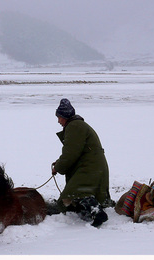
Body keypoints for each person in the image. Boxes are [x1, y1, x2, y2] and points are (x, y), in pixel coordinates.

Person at [50, 98, 112, 228]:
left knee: (77, 191)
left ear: (65, 116)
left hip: (90, 167)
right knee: (75, 192)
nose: (58, 121)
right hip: (92, 165)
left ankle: (97, 213)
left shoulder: (74, 126)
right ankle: (84, 211)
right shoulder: (76, 125)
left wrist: (58, 167)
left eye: (59, 117)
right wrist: (59, 163)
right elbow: (74, 152)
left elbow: (70, 154)